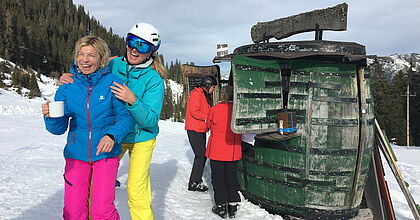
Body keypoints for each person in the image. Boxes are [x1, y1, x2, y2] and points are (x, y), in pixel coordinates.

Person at [60, 22, 166, 220]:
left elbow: (150, 121)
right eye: (131, 42)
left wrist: (133, 100)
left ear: (152, 51)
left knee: (136, 190)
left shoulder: (154, 80)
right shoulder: (113, 64)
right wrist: (70, 75)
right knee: (93, 186)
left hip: (141, 137)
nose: (134, 49)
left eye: (142, 46)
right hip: (111, 134)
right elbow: (89, 71)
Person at [42, 35, 133, 220]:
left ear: (101, 58)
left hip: (105, 155)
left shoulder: (113, 83)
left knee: (102, 211)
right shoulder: (67, 86)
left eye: (91, 55)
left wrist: (112, 135)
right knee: (73, 212)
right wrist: (50, 117)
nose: (85, 60)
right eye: (81, 54)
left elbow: (126, 118)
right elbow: (58, 129)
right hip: (76, 154)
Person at [205, 86, 242, 218]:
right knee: (231, 176)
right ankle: (232, 205)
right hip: (233, 149)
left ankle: (221, 206)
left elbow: (207, 125)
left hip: (217, 149)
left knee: (218, 177)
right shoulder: (238, 111)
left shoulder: (214, 109)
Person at [185, 75, 218, 192]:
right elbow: (194, 111)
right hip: (194, 129)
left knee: (202, 155)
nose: (214, 90)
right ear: (207, 85)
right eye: (213, 87)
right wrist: (208, 117)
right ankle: (194, 182)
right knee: (201, 155)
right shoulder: (197, 94)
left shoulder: (204, 95)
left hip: (200, 129)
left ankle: (195, 180)